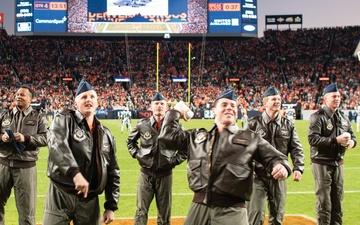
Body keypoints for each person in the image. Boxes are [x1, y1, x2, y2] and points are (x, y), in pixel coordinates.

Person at [158, 89, 292, 225]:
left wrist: (281, 165)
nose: (229, 108)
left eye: (233, 106)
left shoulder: (250, 138)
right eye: (224, 105)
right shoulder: (197, 137)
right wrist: (175, 111)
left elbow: (275, 157)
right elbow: (166, 138)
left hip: (232, 211)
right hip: (199, 208)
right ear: (214, 110)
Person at [43, 79, 120, 225]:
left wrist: (111, 206)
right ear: (75, 103)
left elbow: (113, 171)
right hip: (61, 194)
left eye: (92, 97)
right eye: (83, 97)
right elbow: (57, 145)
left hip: (90, 201)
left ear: (98, 102)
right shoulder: (64, 119)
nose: (88, 100)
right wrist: (75, 173)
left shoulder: (107, 135)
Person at [126, 92, 187, 225]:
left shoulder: (176, 127)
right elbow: (130, 142)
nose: (159, 106)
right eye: (156, 104)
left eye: (161, 104)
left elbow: (185, 148)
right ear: (151, 106)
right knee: (141, 212)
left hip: (165, 175)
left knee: (164, 215)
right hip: (145, 174)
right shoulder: (142, 124)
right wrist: (137, 155)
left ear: (166, 107)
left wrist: (175, 161)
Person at [247, 86, 305, 225]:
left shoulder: (288, 124)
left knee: (277, 216)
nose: (277, 101)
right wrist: (249, 168)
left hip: (279, 176)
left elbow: (296, 147)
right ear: (265, 103)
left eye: (279, 99)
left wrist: (298, 167)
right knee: (255, 215)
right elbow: (243, 150)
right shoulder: (253, 124)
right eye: (274, 99)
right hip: (257, 176)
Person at [308, 83, 356, 225]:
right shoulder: (317, 117)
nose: (337, 99)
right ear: (325, 99)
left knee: (338, 201)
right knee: (324, 202)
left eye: (339, 96)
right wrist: (336, 140)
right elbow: (312, 139)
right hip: (321, 162)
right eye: (334, 96)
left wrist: (351, 143)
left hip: (338, 163)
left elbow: (353, 137)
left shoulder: (343, 116)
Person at [0, 85, 48, 225]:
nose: (18, 97)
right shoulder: (4, 114)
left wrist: (25, 138)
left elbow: (46, 138)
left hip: (25, 168)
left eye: (22, 95)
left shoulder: (38, 117)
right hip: (3, 165)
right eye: (17, 94)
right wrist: (2, 137)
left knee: (27, 212)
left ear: (30, 99)